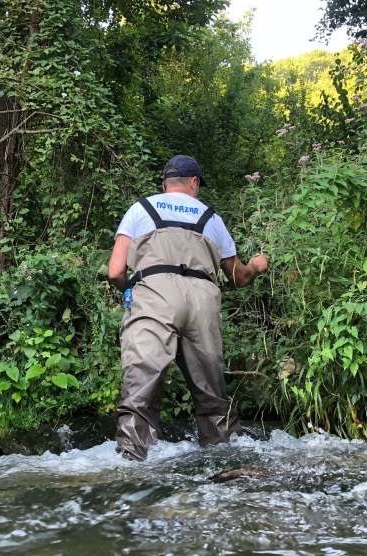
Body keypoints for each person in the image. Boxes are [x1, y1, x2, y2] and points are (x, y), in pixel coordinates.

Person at [107, 155, 269, 461]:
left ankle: (130, 465)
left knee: (141, 387)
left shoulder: (140, 209)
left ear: (165, 184)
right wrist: (258, 266)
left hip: (154, 296)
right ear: (194, 183)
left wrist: (133, 290)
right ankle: (225, 459)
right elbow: (239, 276)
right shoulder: (211, 218)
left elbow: (115, 271)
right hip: (202, 301)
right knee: (211, 393)